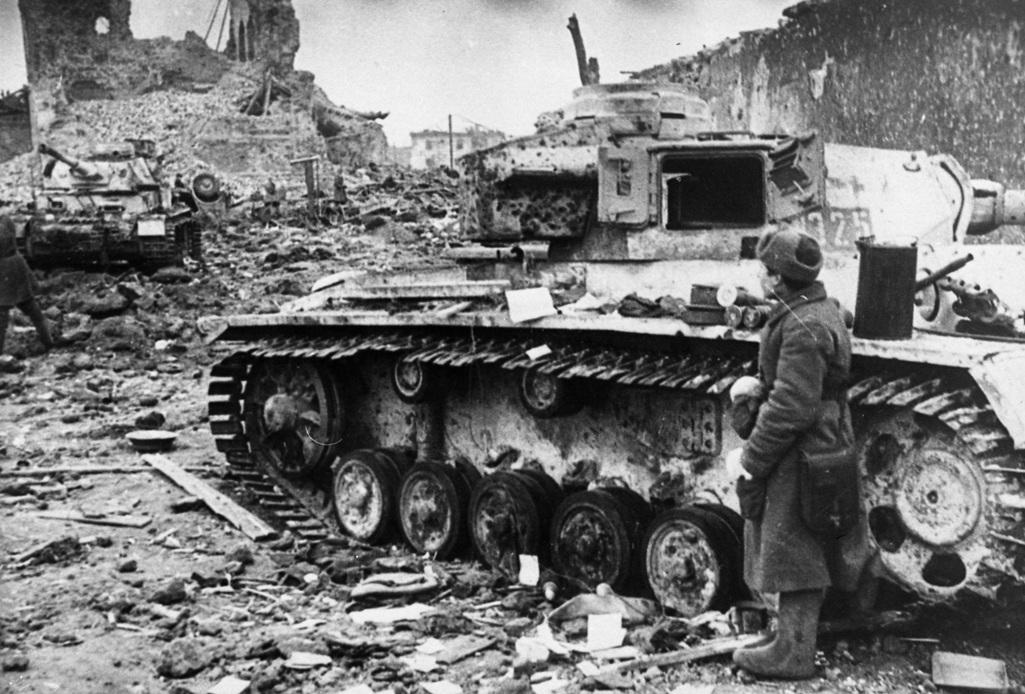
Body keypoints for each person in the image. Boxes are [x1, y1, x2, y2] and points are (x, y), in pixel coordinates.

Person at [726, 228, 876, 680]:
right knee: (802, 536)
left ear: (778, 277)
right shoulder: (814, 308)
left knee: (795, 542)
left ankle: (793, 653)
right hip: (820, 437)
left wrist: (752, 459)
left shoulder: (803, 325)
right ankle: (791, 637)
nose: (760, 276)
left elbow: (793, 406)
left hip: (803, 446)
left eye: (765, 270)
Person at [0, 215, 53, 354]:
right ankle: (48, 341)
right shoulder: (6, 220)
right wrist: (32, 280)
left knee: (2, 315)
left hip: (4, 271)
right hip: (17, 267)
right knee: (33, 310)